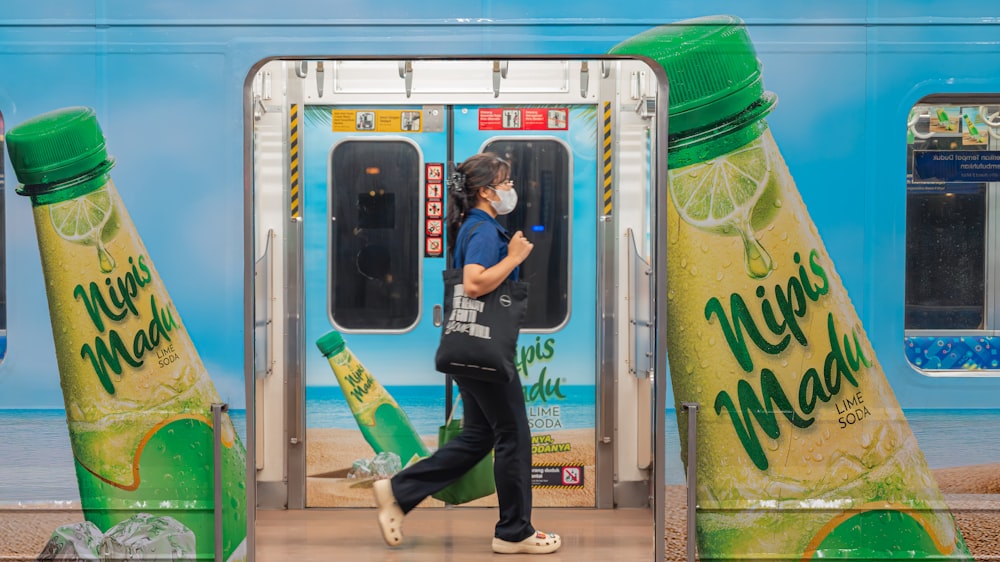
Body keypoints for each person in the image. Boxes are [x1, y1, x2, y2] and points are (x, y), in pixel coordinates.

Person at [372, 152, 561, 555]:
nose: (510, 189)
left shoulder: (475, 227)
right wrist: (514, 257)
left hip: (469, 350)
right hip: (486, 355)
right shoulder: (483, 232)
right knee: (513, 436)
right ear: (486, 191)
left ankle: (399, 492)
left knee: (478, 437)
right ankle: (514, 532)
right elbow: (474, 284)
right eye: (505, 183)